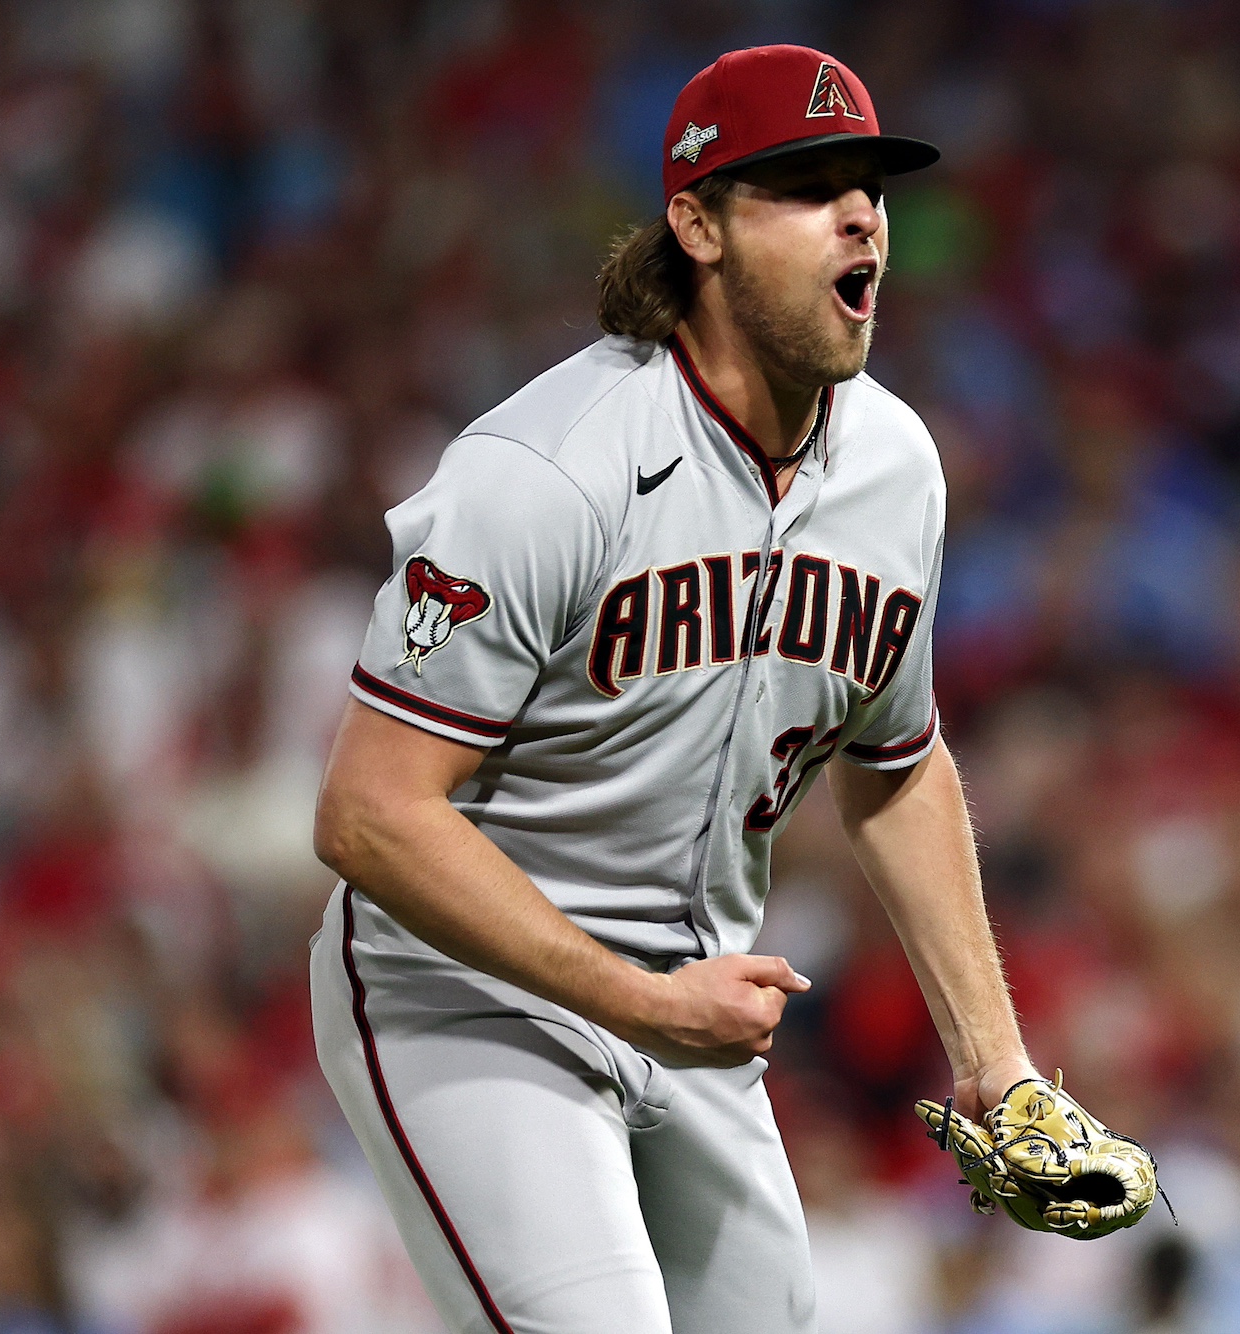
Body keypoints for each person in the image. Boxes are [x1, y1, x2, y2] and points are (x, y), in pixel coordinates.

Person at [307, 45, 1046, 1333]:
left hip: (693, 1002)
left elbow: (899, 759)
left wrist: (996, 1059)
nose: (861, 212)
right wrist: (641, 1002)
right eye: (805, 187)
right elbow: (369, 816)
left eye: (867, 185)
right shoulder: (547, 470)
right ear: (696, 225)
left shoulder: (897, 467)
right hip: (463, 991)